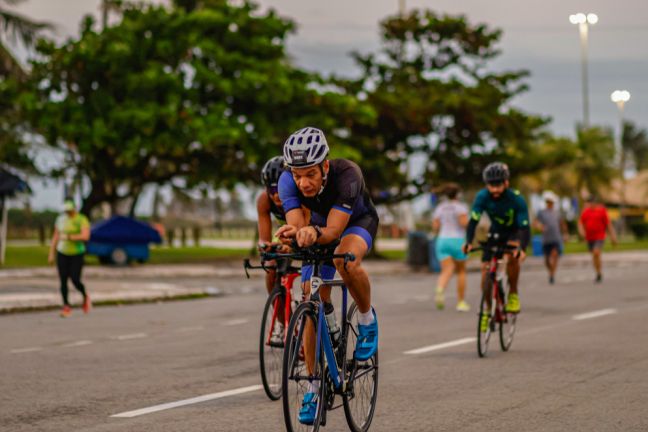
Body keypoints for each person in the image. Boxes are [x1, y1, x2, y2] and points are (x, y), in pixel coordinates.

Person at [275, 127, 379, 425]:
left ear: (324, 166)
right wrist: (292, 234)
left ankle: (366, 319)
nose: (303, 183)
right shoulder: (287, 181)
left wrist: (313, 232)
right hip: (321, 225)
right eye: (297, 175)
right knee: (309, 298)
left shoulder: (348, 175)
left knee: (342, 260)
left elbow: (333, 232)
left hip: (356, 222)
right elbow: (297, 225)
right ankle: (314, 385)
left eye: (310, 174)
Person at [462, 162, 530, 333]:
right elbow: (474, 221)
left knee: (513, 255)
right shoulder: (482, 197)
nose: (495, 190)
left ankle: (513, 294)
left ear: (506, 183)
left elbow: (524, 227)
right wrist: (469, 242)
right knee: (486, 272)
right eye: (491, 185)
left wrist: (521, 248)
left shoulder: (516, 199)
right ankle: (487, 310)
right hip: (495, 232)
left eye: (498, 184)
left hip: (514, 233)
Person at [48, 199, 91, 318]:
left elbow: (86, 236)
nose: (68, 213)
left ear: (74, 209)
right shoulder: (60, 219)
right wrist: (51, 253)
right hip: (62, 252)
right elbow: (56, 236)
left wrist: (69, 237)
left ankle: (85, 295)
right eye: (66, 211)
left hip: (77, 253)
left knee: (75, 279)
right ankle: (66, 305)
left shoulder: (81, 219)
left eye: (70, 210)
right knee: (63, 280)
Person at [432, 183, 470, 312]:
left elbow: (436, 226)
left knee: (446, 270)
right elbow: (463, 223)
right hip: (458, 241)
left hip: (442, 240)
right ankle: (460, 302)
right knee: (461, 271)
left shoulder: (440, 208)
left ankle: (440, 288)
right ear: (457, 194)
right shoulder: (460, 207)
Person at [578, 195, 617, 283]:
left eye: (592, 202)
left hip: (600, 236)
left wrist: (613, 236)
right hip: (589, 237)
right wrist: (582, 232)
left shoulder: (602, 210)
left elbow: (608, 224)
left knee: (596, 252)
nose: (591, 204)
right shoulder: (586, 212)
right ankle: (598, 272)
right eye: (589, 202)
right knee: (594, 256)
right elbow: (580, 223)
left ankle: (598, 272)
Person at [534, 191, 568, 284]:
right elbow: (535, 223)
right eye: (548, 202)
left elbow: (562, 224)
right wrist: (540, 226)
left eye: (551, 202)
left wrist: (565, 234)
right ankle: (550, 271)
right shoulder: (541, 212)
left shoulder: (557, 213)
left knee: (555, 255)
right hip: (546, 239)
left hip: (556, 238)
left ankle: (552, 274)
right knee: (546, 259)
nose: (550, 203)